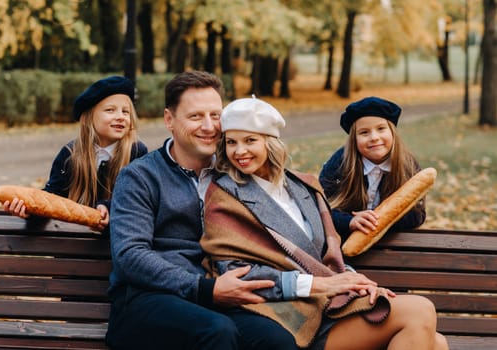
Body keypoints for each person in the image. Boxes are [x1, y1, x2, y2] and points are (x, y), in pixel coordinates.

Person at [200, 97, 449, 350]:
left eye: (250, 140)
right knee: (420, 311)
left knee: (435, 342)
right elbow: (235, 271)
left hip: (331, 304)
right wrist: (320, 284)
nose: (239, 151)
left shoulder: (303, 186)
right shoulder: (225, 196)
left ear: (270, 141)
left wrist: (357, 281)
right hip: (288, 314)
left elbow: (326, 256)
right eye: (231, 143)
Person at [105, 71, 298, 350]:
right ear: (169, 120)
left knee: (277, 340)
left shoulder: (233, 174)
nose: (209, 126)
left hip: (214, 297)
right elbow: (130, 255)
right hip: (146, 299)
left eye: (216, 115)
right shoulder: (140, 176)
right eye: (196, 116)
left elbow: (286, 210)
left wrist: (345, 223)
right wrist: (203, 288)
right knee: (216, 331)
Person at [3, 76, 147, 231]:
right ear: (89, 118)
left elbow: (138, 200)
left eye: (126, 112)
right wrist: (29, 210)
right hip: (73, 243)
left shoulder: (137, 153)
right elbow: (53, 200)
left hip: (118, 246)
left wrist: (109, 209)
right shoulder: (69, 155)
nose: (120, 116)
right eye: (110, 110)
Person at [319, 96, 426, 240]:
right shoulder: (339, 164)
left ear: (392, 132)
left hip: (393, 243)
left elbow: (418, 215)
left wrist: (379, 220)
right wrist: (349, 221)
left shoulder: (408, 166)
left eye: (381, 129)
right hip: (343, 242)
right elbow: (320, 208)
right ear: (354, 139)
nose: (374, 137)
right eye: (364, 132)